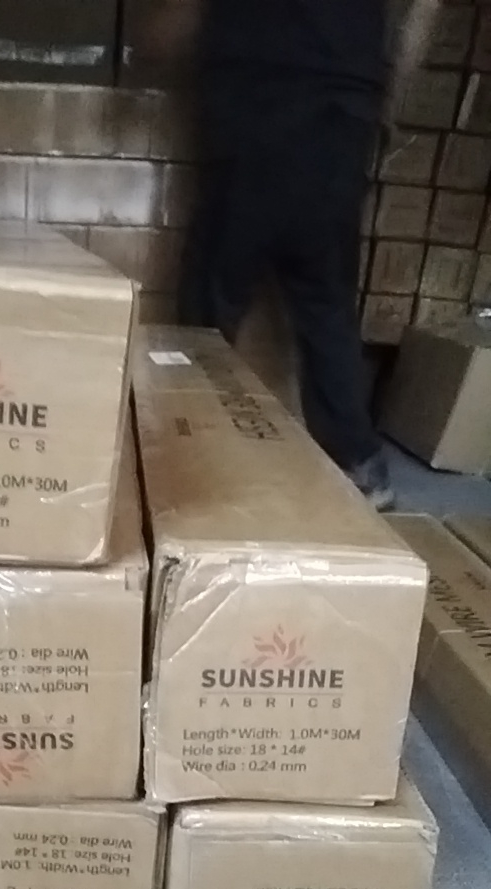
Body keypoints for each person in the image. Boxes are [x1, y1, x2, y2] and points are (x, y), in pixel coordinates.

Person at [147, 0, 440, 510]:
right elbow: (425, 8)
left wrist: (161, 44)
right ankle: (360, 463)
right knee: (325, 298)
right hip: (343, 107)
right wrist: (384, 94)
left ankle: (180, 449)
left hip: (258, 93)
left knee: (207, 302)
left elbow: (173, 25)